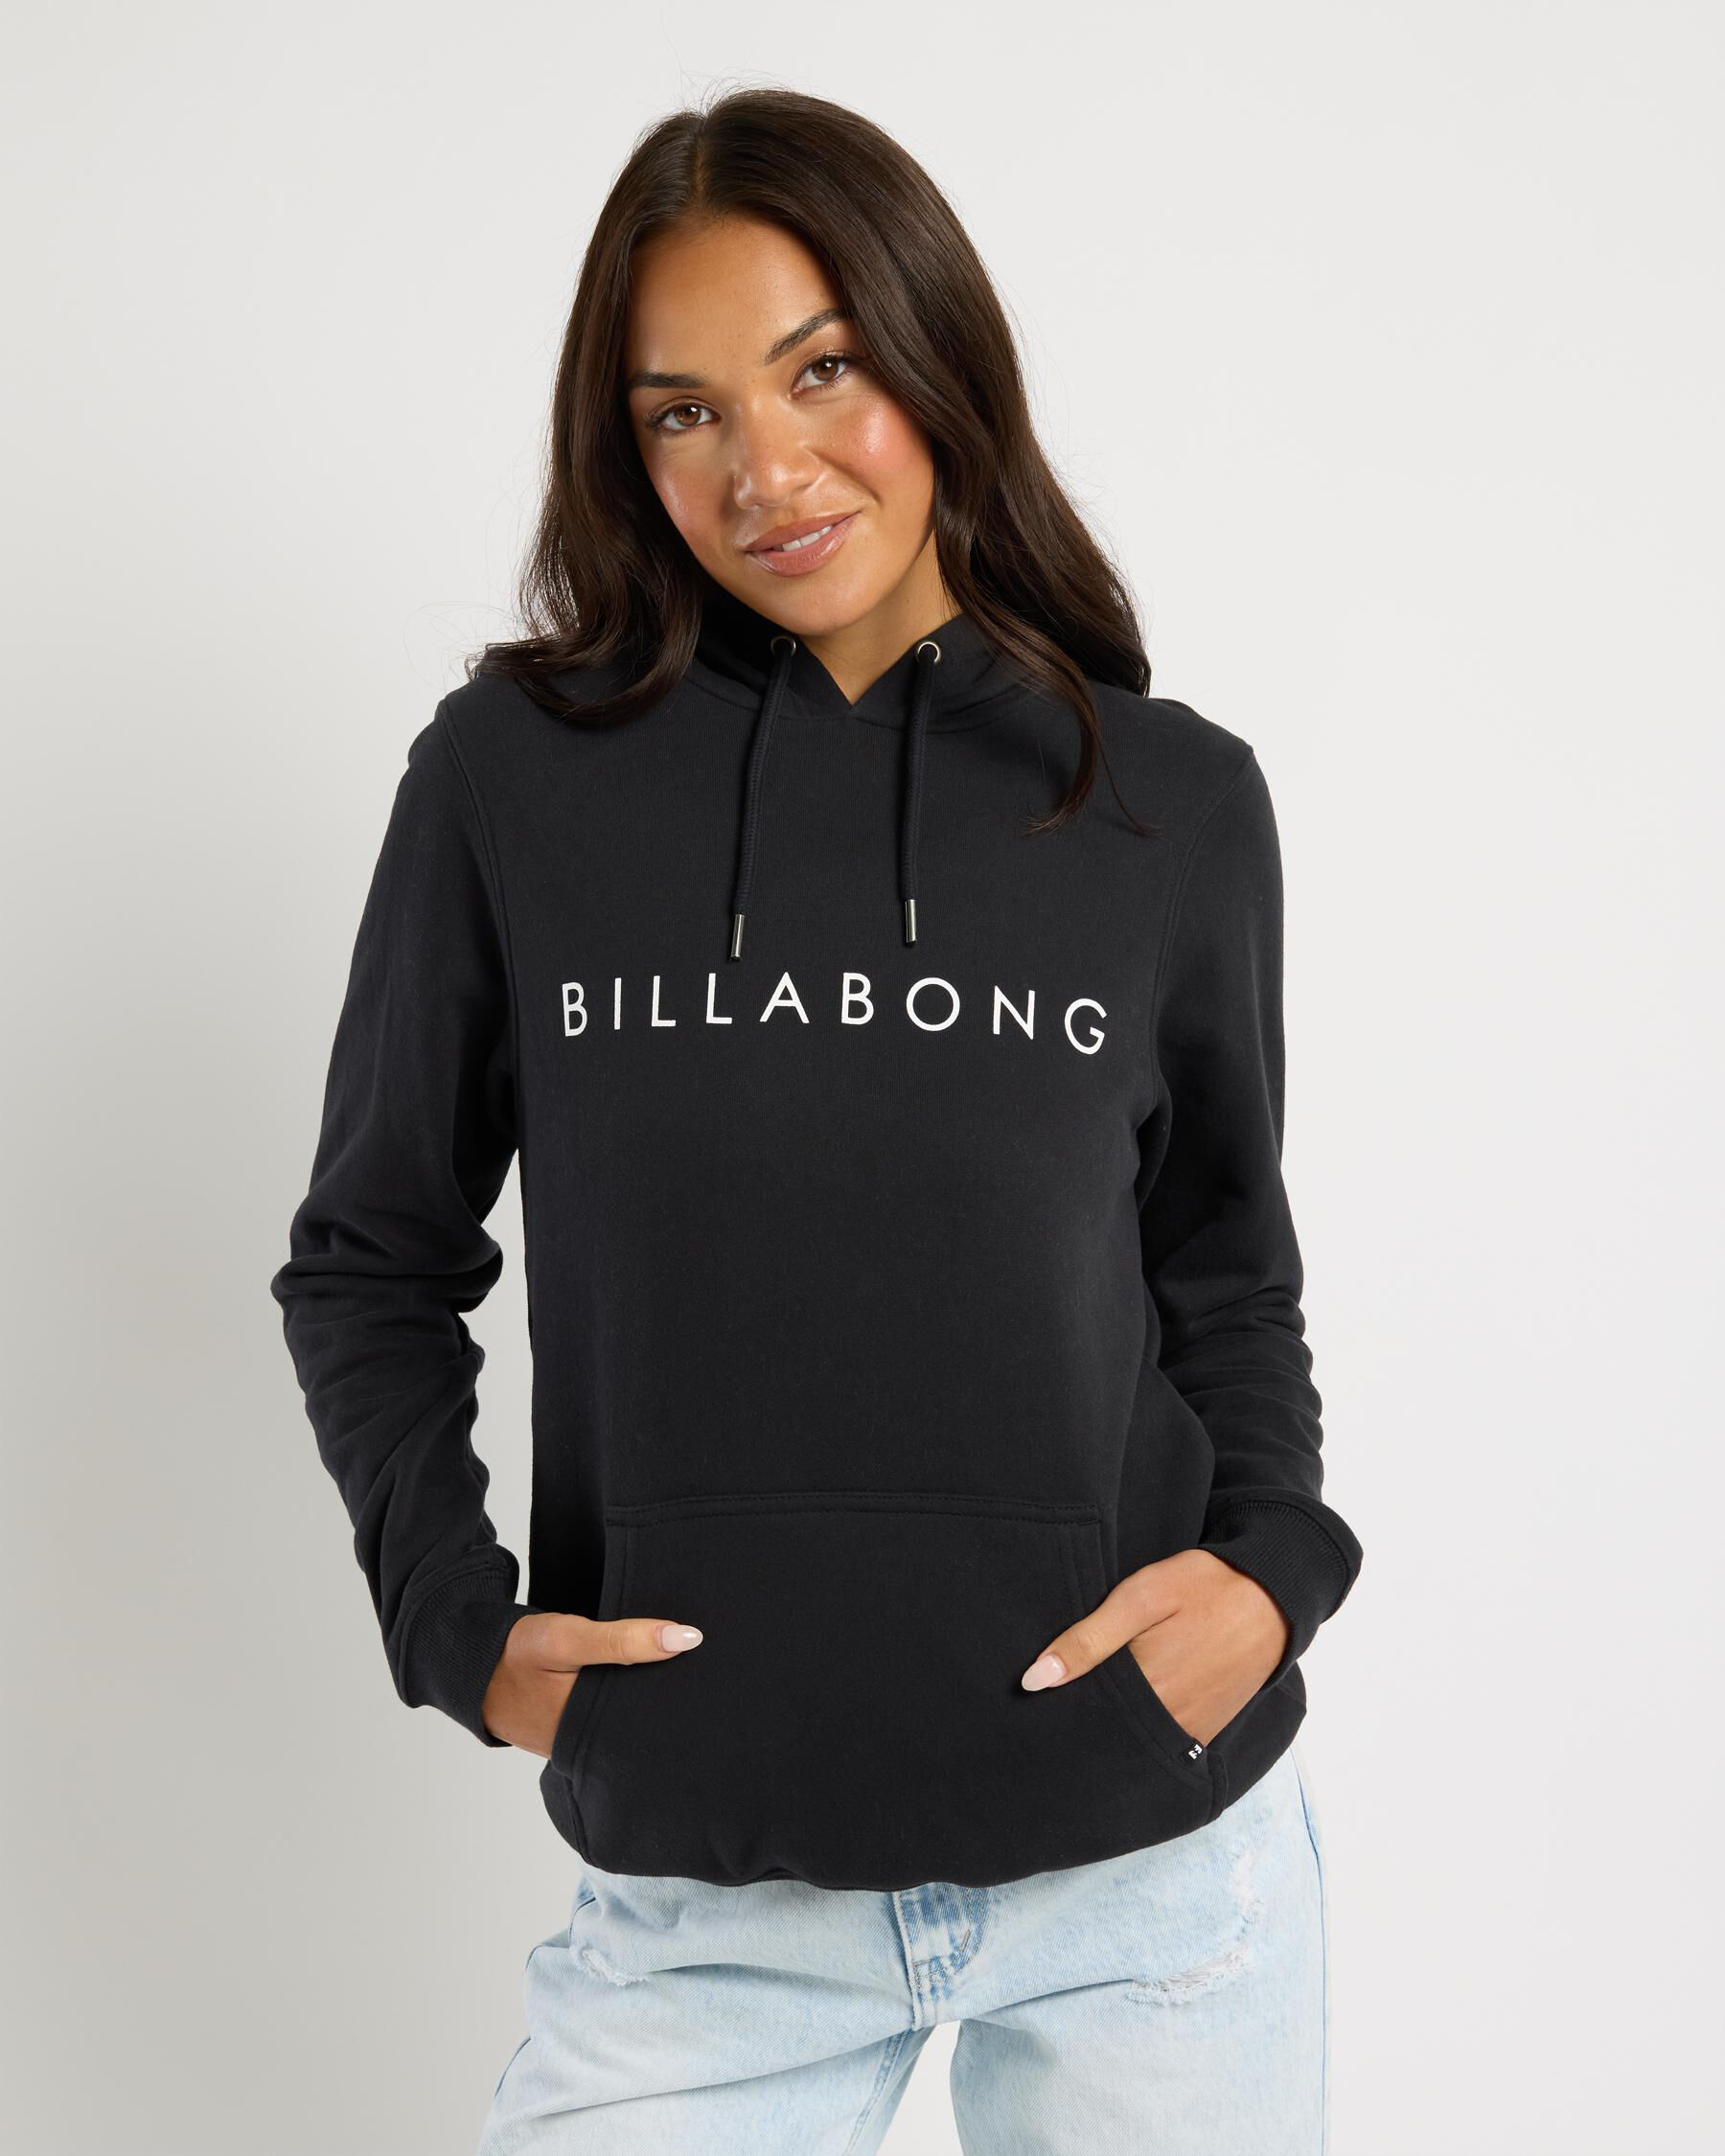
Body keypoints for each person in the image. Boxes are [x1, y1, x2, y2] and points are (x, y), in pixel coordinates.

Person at [269, 84, 1363, 2156]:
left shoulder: (1168, 802)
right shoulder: (514, 782)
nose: (764, 471)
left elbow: (1226, 1272)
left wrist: (1277, 1574)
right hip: (707, 1912)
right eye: (683, 412)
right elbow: (372, 1260)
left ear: (937, 356)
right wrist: (455, 1630)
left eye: (822, 370)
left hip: (1155, 1882)